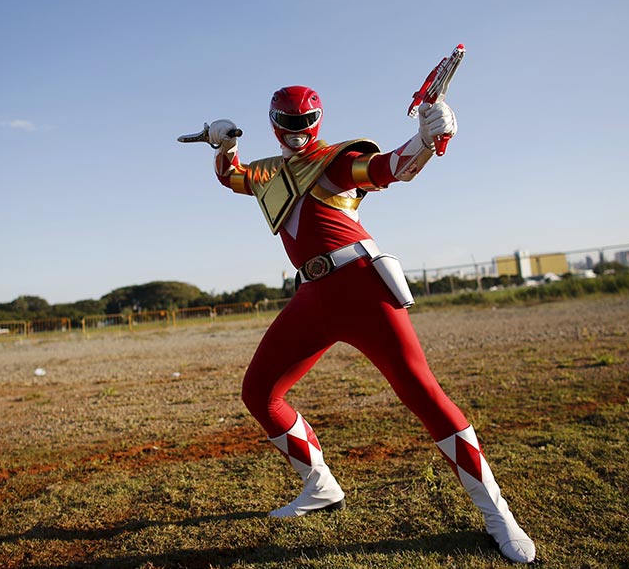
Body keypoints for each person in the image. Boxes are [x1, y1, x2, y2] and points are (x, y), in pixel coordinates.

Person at [198, 85, 535, 564]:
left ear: (317, 120)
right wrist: (226, 144)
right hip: (313, 294)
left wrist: (426, 139)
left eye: (304, 123)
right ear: (273, 122)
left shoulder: (335, 160)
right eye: (287, 124)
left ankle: (498, 512)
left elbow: (390, 169)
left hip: (360, 284)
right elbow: (231, 177)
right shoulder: (270, 172)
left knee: (422, 392)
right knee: (260, 392)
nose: (296, 133)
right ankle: (320, 485)